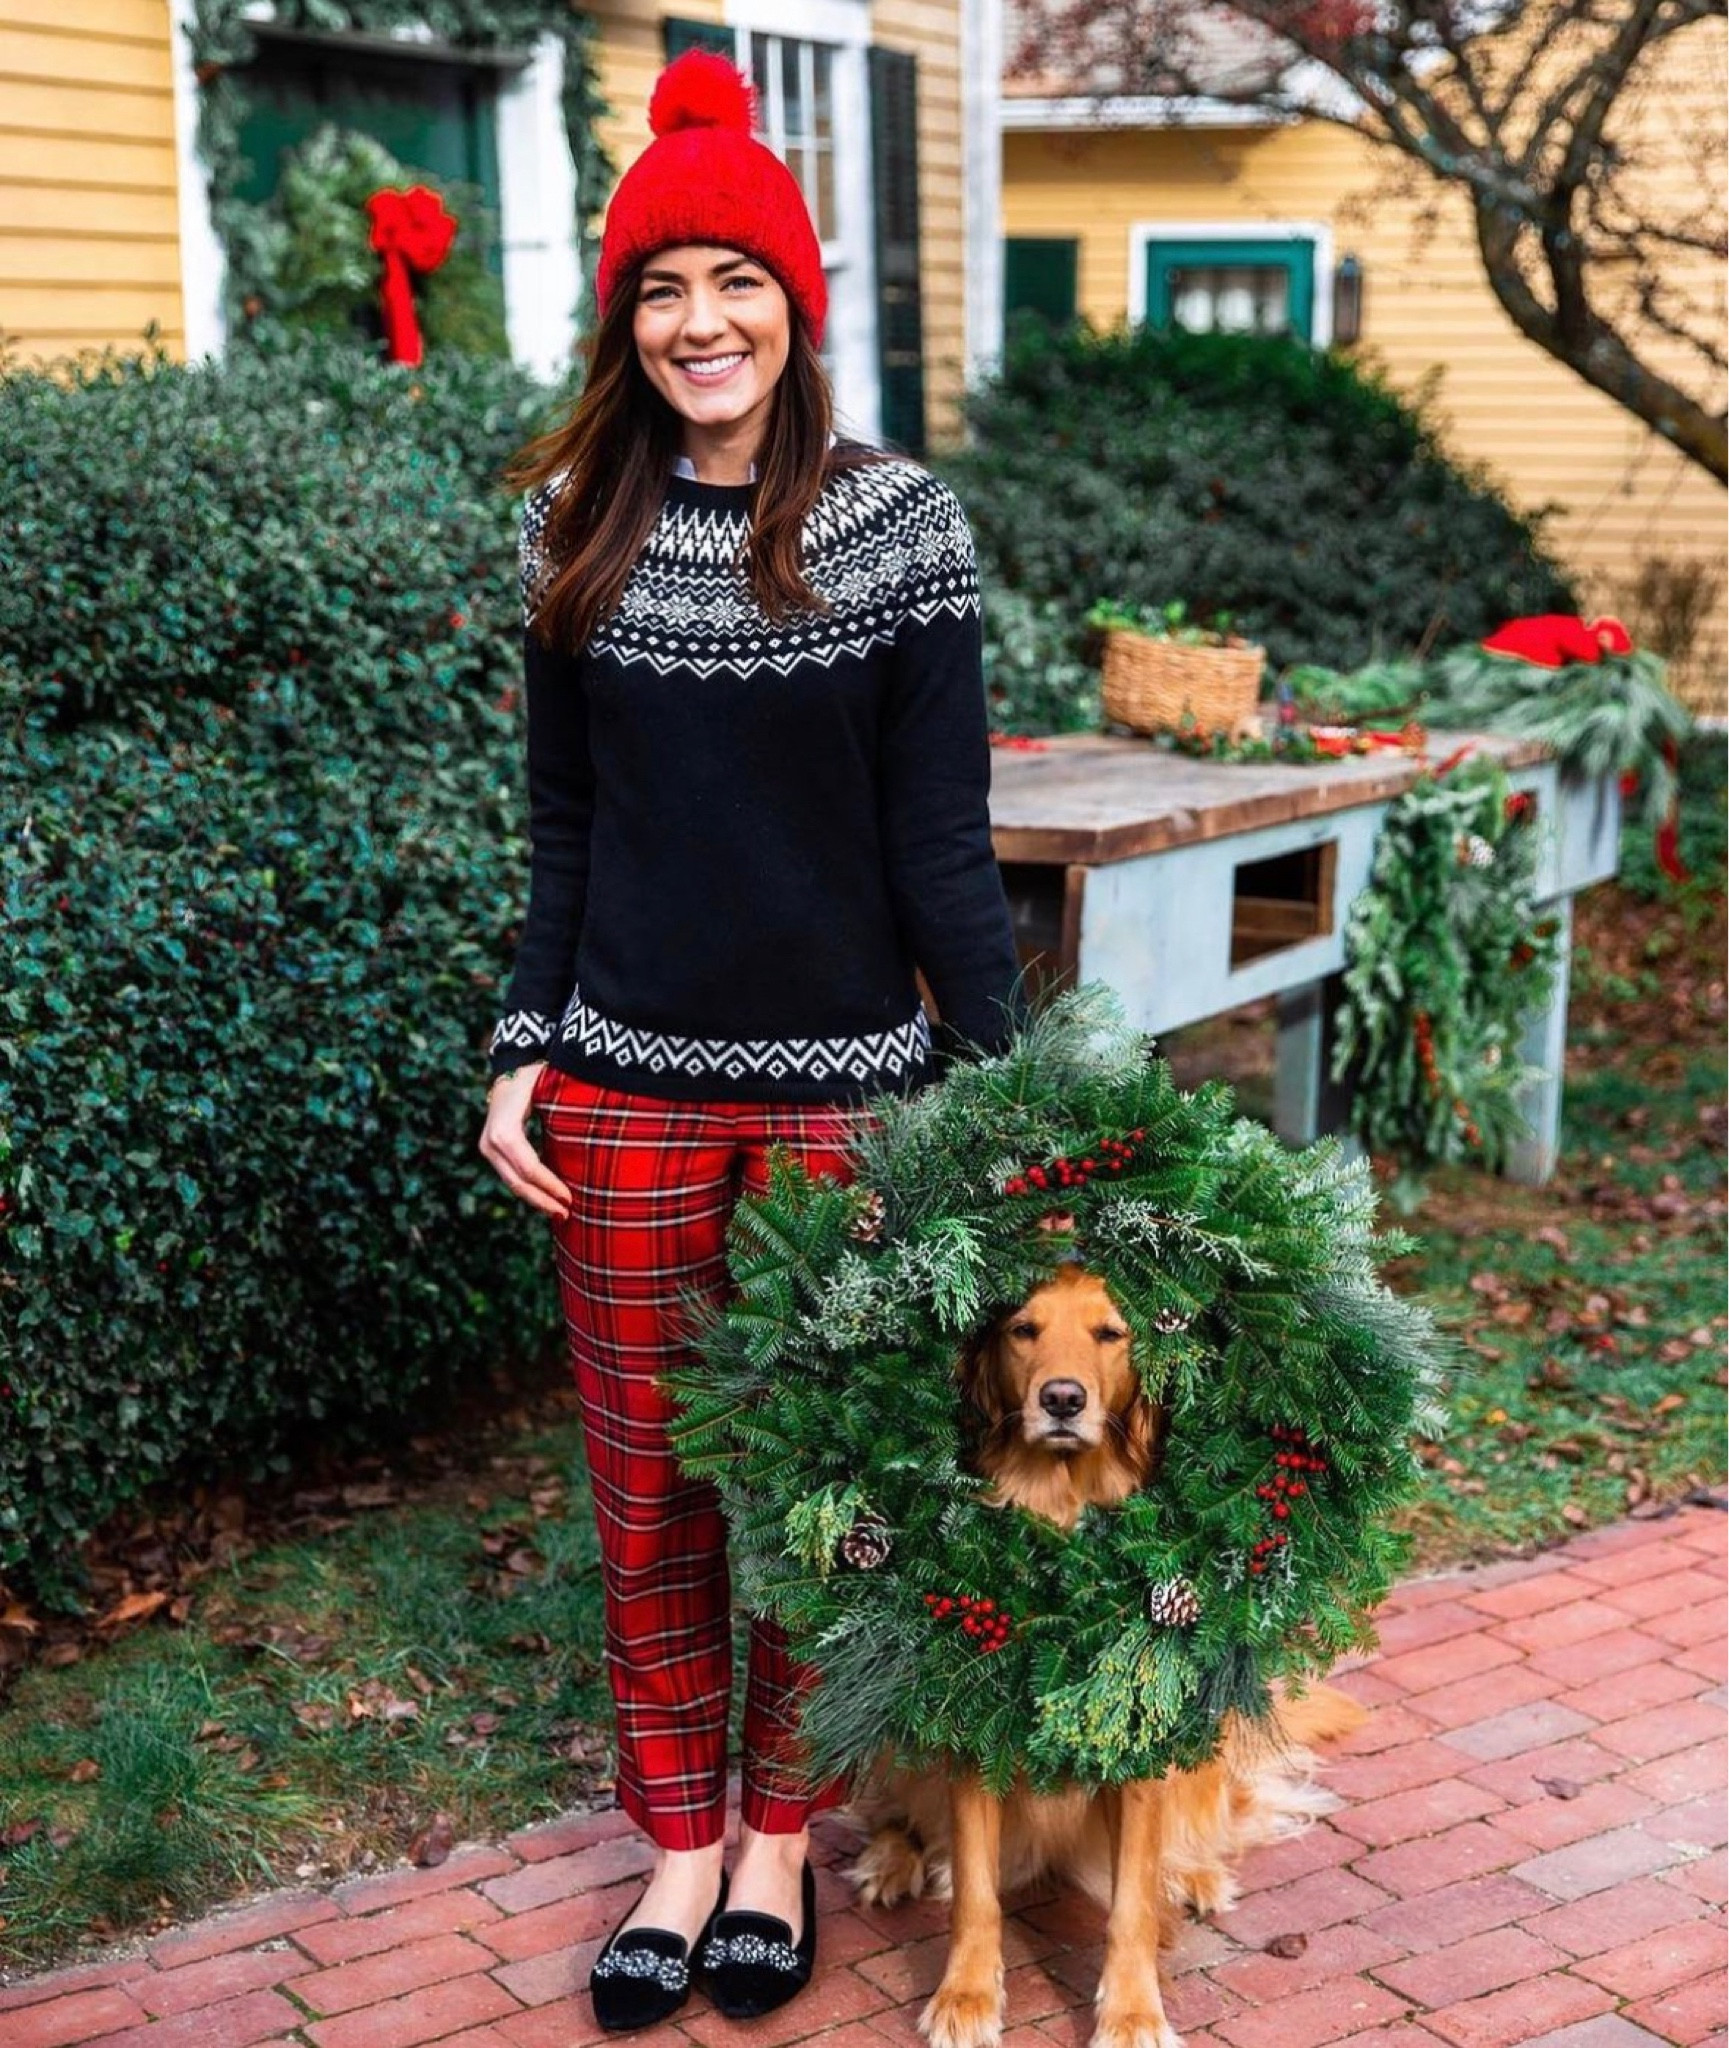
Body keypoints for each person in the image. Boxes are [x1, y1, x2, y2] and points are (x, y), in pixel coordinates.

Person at [477, 46, 1022, 2036]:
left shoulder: (896, 527)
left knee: (808, 1492)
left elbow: (940, 842)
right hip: (621, 1096)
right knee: (646, 1495)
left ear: (795, 304)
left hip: (839, 1116)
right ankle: (676, 1846)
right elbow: (564, 824)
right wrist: (523, 1042)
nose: (699, 322)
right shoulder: (571, 524)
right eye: (660, 288)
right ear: (623, 320)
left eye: (735, 282)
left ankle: (777, 1835)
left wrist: (1002, 1085)